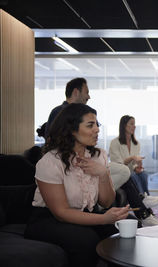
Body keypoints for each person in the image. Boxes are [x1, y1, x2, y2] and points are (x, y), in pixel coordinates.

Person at [24, 103, 129, 267]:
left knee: (123, 232)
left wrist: (103, 173)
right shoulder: (50, 162)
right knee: (86, 240)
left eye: (97, 124)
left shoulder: (99, 155)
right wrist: (103, 218)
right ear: (71, 130)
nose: (97, 129)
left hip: (86, 213)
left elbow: (106, 202)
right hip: (49, 220)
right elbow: (61, 213)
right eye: (90, 125)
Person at [109, 115, 158, 208]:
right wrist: (132, 158)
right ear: (124, 126)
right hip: (119, 173)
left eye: (135, 124)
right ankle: (142, 199)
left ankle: (146, 197)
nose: (134, 126)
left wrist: (138, 167)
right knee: (132, 175)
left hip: (131, 171)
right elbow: (118, 164)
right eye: (132, 124)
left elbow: (134, 164)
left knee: (143, 174)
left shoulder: (136, 144)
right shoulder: (115, 142)